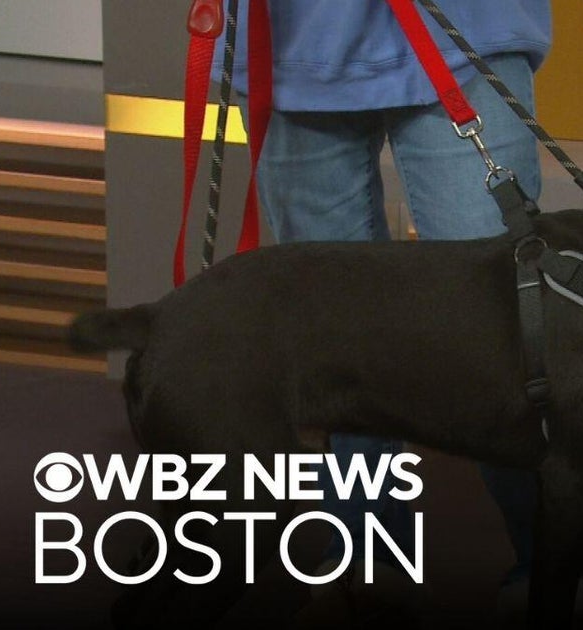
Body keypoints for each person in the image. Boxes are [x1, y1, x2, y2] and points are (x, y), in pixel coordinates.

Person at [213, 0, 550, 618]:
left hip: (464, 25)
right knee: (333, 332)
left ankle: (554, 565)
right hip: (292, 39)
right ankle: (361, 557)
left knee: (503, 323)